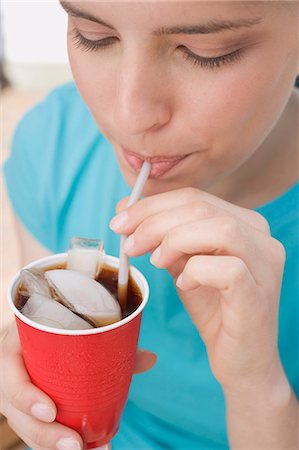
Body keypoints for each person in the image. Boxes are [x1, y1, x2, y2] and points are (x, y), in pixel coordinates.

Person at [1, 1, 298, 449]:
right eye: (93, 36)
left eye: (204, 51)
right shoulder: (54, 146)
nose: (130, 117)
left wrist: (257, 389)